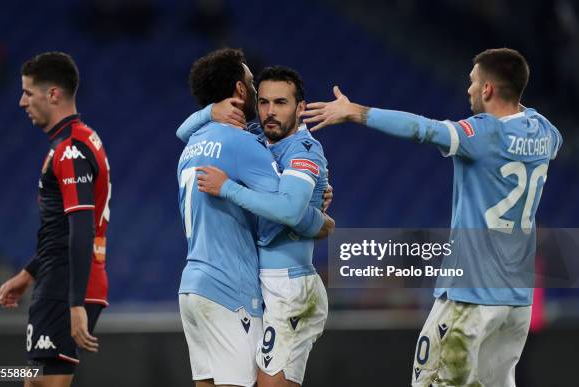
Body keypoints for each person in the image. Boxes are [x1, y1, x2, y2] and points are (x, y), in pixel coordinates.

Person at [300, 48, 563, 386]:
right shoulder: (544, 132)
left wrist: (355, 112)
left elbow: (422, 129)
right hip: (516, 304)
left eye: (473, 82)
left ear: (487, 89)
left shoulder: (482, 134)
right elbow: (542, 131)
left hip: (472, 297)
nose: (468, 90)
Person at [178, 49, 333, 387]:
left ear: (301, 108)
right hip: (258, 285)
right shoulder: (254, 140)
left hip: (291, 286)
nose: (269, 111)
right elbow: (289, 208)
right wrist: (318, 221)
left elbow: (289, 210)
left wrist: (228, 188)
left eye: (280, 103)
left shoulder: (303, 149)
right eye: (262, 101)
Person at [0, 52, 112, 387]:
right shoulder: (80, 139)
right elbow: (63, 229)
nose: (21, 102)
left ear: (54, 94)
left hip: (65, 284)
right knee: (35, 380)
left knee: (42, 382)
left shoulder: (71, 150)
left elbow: (81, 227)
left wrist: (74, 303)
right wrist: (28, 273)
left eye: (28, 93)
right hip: (64, 277)